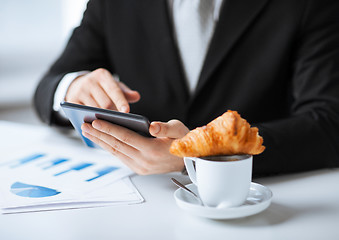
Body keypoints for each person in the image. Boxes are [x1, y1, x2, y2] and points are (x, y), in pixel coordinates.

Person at [34, 0, 339, 176]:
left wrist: (199, 151)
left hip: (263, 201)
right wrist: (72, 87)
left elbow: (329, 123)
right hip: (136, 205)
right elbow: (49, 85)